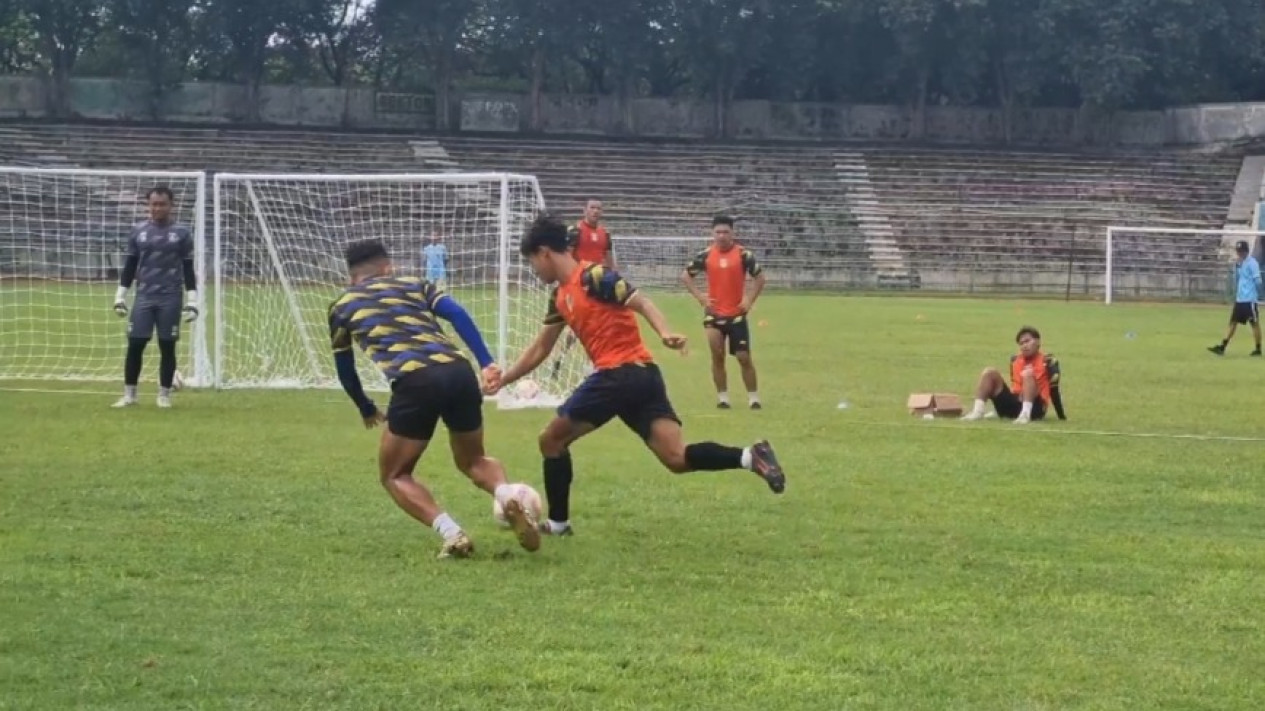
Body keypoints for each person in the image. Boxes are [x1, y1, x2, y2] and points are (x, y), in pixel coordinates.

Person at [483, 214, 786, 538]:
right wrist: (505, 379)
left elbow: (640, 300)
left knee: (550, 440)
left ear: (544, 252)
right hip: (643, 378)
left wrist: (665, 331)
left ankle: (558, 524)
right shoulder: (559, 296)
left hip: (618, 374)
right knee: (676, 457)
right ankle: (750, 457)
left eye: (533, 263)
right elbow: (541, 348)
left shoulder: (593, 276)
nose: (535, 271)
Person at [328, 239, 539, 559]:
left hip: (415, 382)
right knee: (473, 460)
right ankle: (506, 492)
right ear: (388, 267)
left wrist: (366, 406)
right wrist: (486, 362)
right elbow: (457, 314)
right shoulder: (415, 283)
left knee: (394, 474)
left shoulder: (342, 305)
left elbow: (345, 369)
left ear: (351, 276)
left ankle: (452, 534)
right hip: (458, 373)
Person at [111, 186, 198, 409]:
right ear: (148, 205)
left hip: (170, 296)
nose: (157, 208)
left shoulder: (182, 233)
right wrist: (120, 296)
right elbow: (130, 266)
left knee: (167, 345)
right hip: (144, 296)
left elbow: (189, 269)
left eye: (162, 204)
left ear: (171, 205)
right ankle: (130, 395)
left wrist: (192, 301)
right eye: (154, 204)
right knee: (135, 344)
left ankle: (164, 395)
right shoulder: (138, 231)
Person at [681, 215, 767, 410]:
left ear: (733, 233)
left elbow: (760, 278)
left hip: (736, 314)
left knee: (743, 357)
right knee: (716, 354)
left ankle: (753, 397)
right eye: (718, 232)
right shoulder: (706, 255)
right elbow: (686, 276)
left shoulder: (744, 255)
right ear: (712, 234)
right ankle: (723, 398)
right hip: (714, 313)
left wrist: (749, 299)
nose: (721, 236)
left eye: (725, 232)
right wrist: (700, 297)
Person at [550, 199, 614, 382]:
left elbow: (608, 259)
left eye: (599, 208)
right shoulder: (575, 232)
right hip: (578, 285)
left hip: (598, 285)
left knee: (594, 325)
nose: (596, 211)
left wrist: (614, 277)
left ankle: (589, 364)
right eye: (592, 208)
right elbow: (566, 257)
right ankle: (560, 359)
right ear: (584, 210)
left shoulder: (605, 234)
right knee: (577, 327)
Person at [960, 326, 1066, 425]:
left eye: (1027, 341)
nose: (1024, 345)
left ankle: (1025, 414)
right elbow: (1014, 386)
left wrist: (1061, 416)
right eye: (1021, 343)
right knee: (989, 372)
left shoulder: (1048, 361)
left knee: (1028, 373)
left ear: (1037, 342)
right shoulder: (1015, 360)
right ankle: (977, 412)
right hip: (1014, 403)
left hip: (1035, 407)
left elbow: (1054, 390)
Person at [1208, 240, 1262, 356]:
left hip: (1249, 300)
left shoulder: (1253, 263)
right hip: (1240, 299)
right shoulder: (1239, 264)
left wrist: (1255, 294)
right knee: (1233, 323)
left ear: (1246, 251)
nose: (1239, 254)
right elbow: (1237, 279)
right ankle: (1222, 346)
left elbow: (1258, 281)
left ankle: (1258, 349)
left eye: (1241, 251)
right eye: (1238, 251)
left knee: (1254, 323)